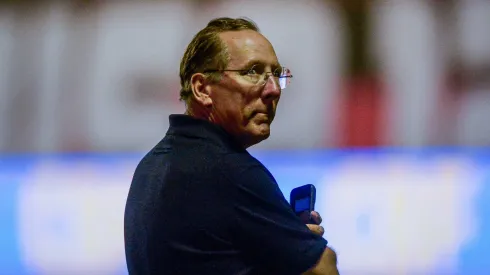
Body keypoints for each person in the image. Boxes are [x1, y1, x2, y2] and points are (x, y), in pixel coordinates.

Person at [124, 17, 339, 275]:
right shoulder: (232, 172)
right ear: (202, 88)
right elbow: (323, 269)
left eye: (277, 74)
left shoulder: (150, 166)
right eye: (253, 72)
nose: (273, 90)